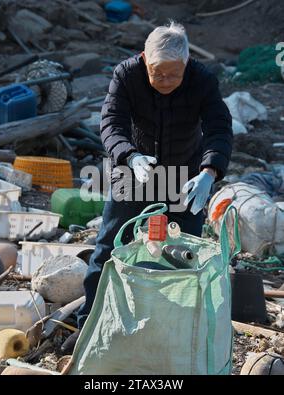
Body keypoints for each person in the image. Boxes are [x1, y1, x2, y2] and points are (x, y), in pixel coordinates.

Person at [61, 21, 233, 353]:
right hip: (133, 168)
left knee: (185, 256)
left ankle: (177, 334)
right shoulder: (127, 75)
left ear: (186, 64)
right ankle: (89, 326)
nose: (165, 81)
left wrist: (210, 171)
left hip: (185, 176)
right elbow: (111, 122)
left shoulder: (203, 80)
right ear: (144, 59)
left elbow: (219, 127)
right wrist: (129, 156)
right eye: (158, 73)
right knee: (109, 248)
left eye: (174, 74)